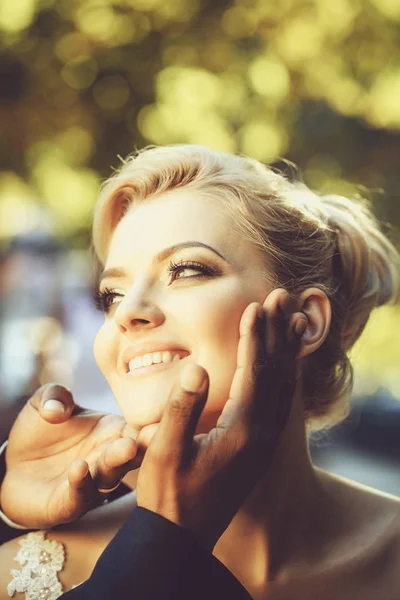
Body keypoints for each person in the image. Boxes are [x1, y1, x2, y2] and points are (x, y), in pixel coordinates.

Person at [1, 144, 400, 599]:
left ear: (303, 322)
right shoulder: (26, 573)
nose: (128, 312)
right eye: (112, 294)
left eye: (187, 270)